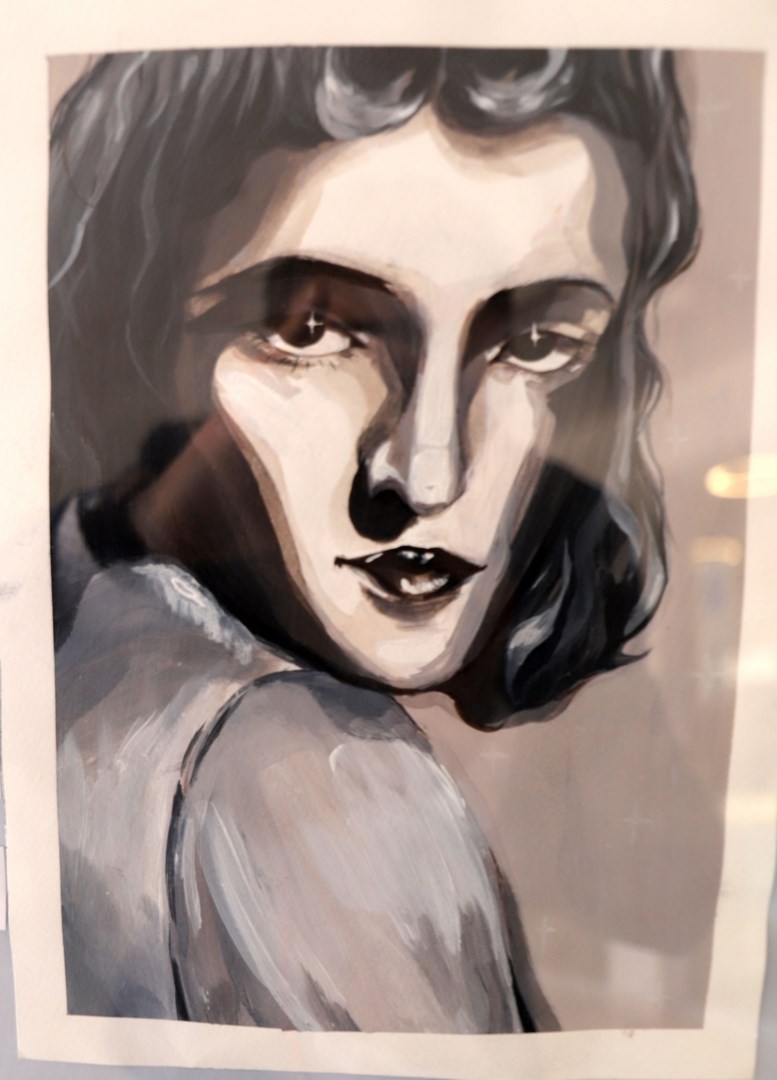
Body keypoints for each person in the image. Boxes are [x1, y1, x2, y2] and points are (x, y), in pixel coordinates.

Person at [50, 47, 698, 1032]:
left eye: (532, 345)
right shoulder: (310, 773)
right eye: (309, 329)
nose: (426, 470)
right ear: (132, 332)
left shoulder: (77, 658)